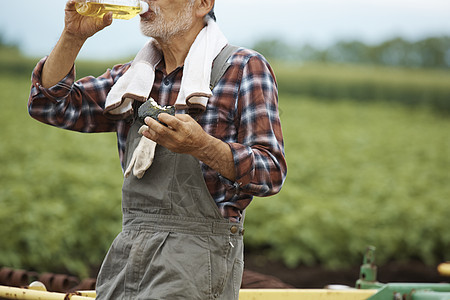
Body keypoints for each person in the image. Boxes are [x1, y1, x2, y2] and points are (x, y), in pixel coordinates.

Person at [28, 0, 287, 298]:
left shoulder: (243, 68)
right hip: (127, 256)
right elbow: (48, 105)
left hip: (197, 262)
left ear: (203, 4)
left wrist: (202, 146)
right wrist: (73, 36)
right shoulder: (133, 79)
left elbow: (271, 172)